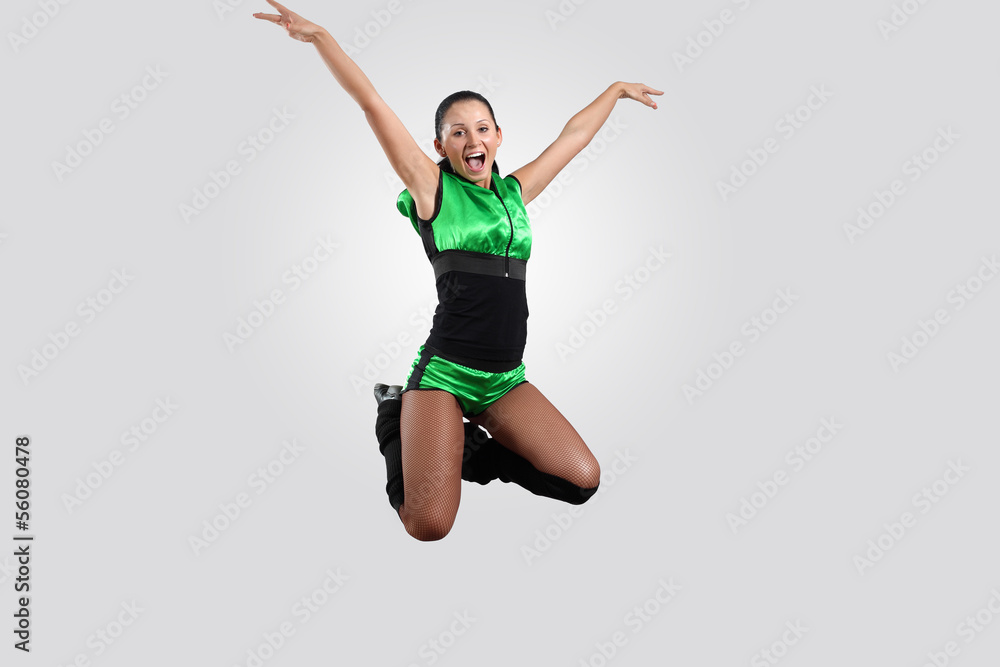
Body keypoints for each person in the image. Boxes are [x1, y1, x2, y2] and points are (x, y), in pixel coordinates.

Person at [255, 1, 662, 541]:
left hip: (504, 378)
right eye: (457, 132)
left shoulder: (515, 193)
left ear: (497, 136)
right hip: (444, 375)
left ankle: (471, 451)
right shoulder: (434, 190)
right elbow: (372, 104)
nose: (472, 141)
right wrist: (321, 37)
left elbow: (572, 138)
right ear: (440, 146)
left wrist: (614, 90)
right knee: (429, 524)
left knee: (581, 480)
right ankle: (394, 413)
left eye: (482, 129)